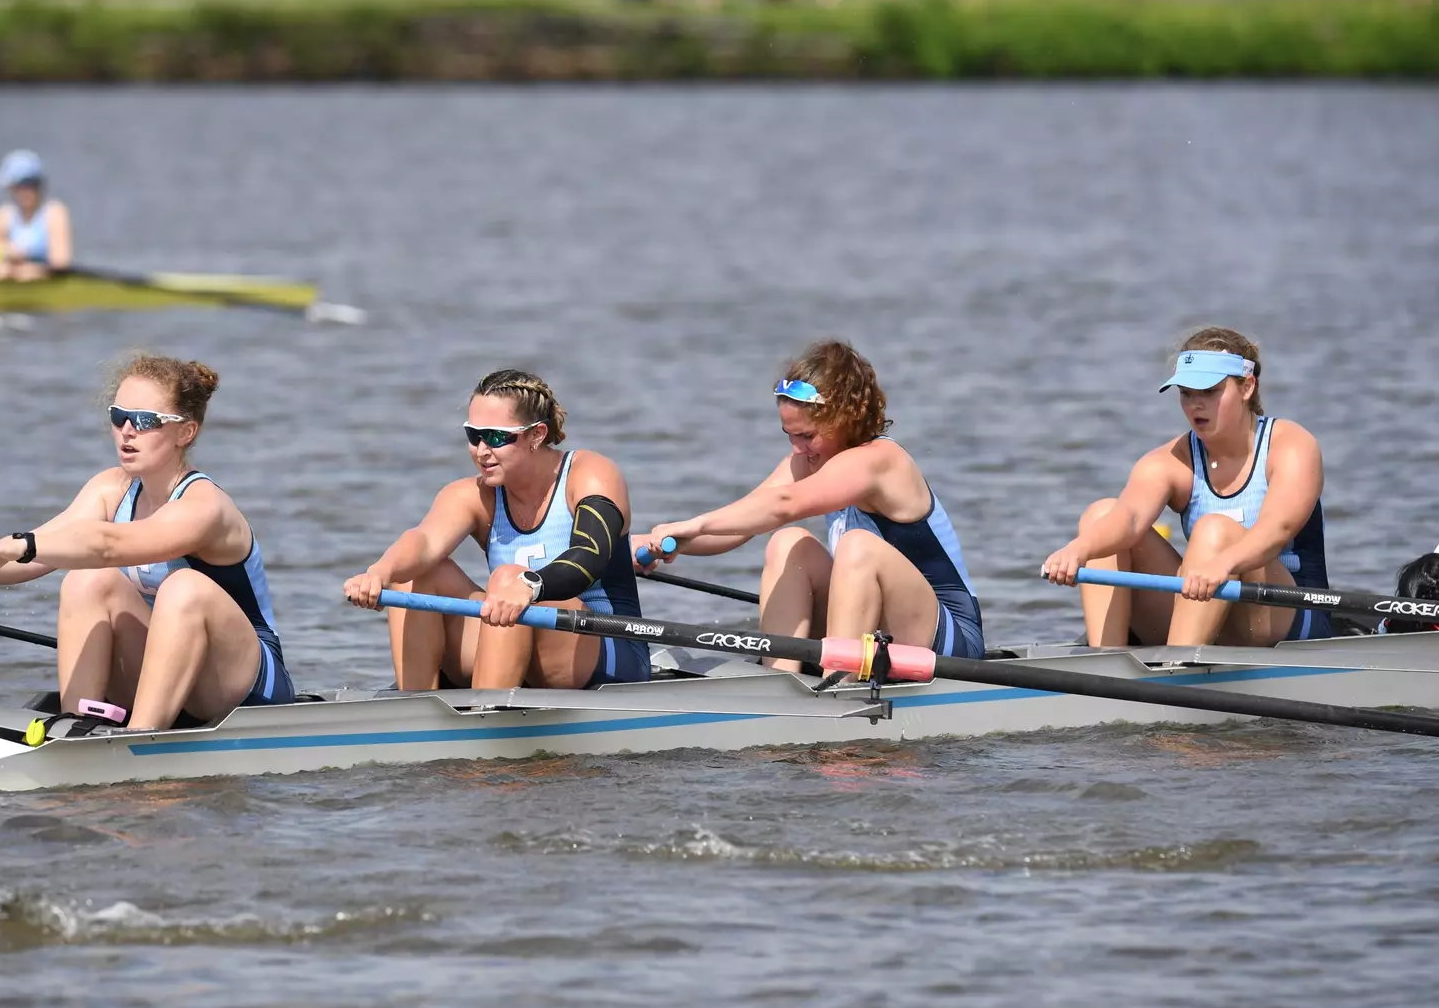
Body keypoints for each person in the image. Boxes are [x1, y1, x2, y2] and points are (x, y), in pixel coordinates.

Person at [0, 355, 294, 730]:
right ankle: (76, 727)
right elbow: (37, 555)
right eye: (119, 417)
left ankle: (139, 741)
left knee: (184, 588)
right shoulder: (110, 488)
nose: (127, 431)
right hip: (168, 676)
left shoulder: (205, 507)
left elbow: (107, 545)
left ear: (186, 432)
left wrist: (18, 545)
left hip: (244, 687)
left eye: (145, 421)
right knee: (87, 580)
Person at [634, 339, 986, 665]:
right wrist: (633, 545)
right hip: (874, 628)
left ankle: (840, 684)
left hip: (948, 638)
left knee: (858, 547)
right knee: (789, 543)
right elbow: (739, 527)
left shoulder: (880, 461)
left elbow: (783, 505)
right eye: (789, 435)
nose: (797, 449)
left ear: (846, 418)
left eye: (807, 436)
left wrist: (697, 524)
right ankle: (782, 683)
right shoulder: (809, 460)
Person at [343, 369, 650, 691]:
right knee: (413, 573)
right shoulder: (472, 495)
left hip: (608, 650)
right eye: (474, 436)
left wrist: (530, 585)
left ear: (537, 435)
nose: (481, 450)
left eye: (497, 436)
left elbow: (591, 556)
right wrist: (379, 571)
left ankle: (484, 718)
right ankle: (415, 714)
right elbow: (423, 542)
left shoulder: (591, 474)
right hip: (508, 636)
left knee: (508, 579)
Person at [1042, 326, 1331, 648]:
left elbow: (1276, 531)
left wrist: (1223, 563)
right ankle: (1105, 663)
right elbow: (1129, 519)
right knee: (1101, 515)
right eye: (1186, 393)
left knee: (1215, 531)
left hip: (1286, 616)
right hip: (1207, 602)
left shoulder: (1291, 445)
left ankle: (1176, 668)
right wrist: (1078, 550)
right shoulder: (1170, 460)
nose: (1196, 405)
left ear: (1247, 387)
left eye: (1209, 392)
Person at [0, 149, 73, 281]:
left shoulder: (54, 213)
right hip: (6, 273)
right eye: (19, 187)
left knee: (22, 273)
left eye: (29, 186)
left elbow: (61, 262)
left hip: (41, 276)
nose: (24, 192)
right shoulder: (2, 216)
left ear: (38, 185)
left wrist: (23, 257)